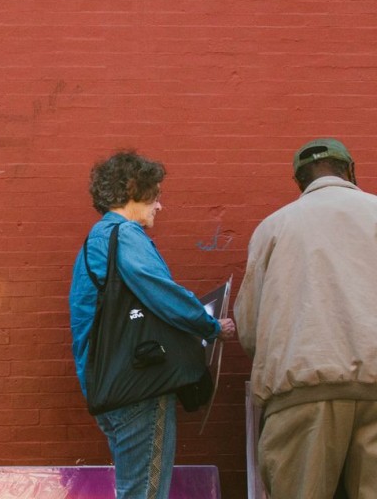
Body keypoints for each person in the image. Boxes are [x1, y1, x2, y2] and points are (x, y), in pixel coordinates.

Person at [69, 150, 235, 499]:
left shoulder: (96, 240)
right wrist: (211, 326)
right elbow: (163, 293)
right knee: (144, 493)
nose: (160, 206)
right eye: (155, 195)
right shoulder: (124, 236)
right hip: (139, 386)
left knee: (134, 490)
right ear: (132, 188)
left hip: (108, 388)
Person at [235, 138, 377, 499]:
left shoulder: (274, 227)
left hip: (302, 392)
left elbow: (250, 326)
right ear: (351, 171)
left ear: (299, 182)